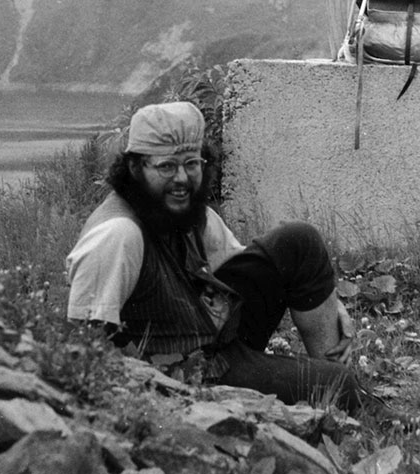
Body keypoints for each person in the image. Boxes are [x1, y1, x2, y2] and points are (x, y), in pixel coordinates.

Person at [65, 100, 366, 413]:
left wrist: (328, 301)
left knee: (298, 240)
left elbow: (243, 267)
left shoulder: (183, 211)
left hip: (213, 338)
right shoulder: (118, 235)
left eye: (191, 164)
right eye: (166, 166)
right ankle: (338, 395)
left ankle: (333, 372)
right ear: (134, 168)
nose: (182, 179)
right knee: (338, 386)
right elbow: (87, 344)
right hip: (185, 376)